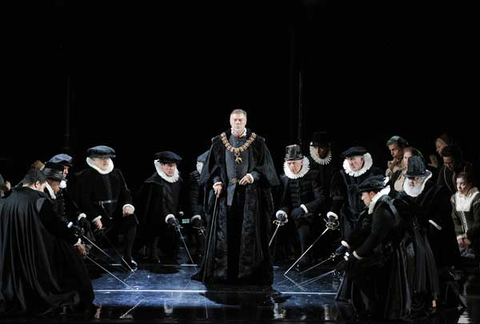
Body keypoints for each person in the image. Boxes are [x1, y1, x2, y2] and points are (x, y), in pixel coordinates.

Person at [193, 109, 279, 285]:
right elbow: (213, 169)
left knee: (247, 234)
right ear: (230, 121)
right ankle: (225, 272)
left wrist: (253, 176)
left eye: (240, 120)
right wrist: (217, 182)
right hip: (226, 196)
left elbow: (266, 168)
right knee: (227, 234)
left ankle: (247, 273)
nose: (237, 122)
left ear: (245, 121)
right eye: (235, 120)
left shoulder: (258, 143)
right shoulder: (218, 142)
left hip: (250, 198)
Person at [0, 169, 94, 316]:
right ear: (37, 183)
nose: (43, 190)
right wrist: (76, 241)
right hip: (34, 255)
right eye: (43, 187)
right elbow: (56, 226)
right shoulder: (39, 200)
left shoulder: (5, 199)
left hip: (10, 257)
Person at [335, 174, 409, 320]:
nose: (362, 198)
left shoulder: (383, 209)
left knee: (354, 269)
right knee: (352, 267)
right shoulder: (378, 205)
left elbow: (374, 238)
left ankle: (375, 307)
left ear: (372, 193)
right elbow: (365, 230)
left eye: (363, 195)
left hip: (388, 256)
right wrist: (348, 246)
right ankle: (370, 305)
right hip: (381, 251)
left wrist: (355, 256)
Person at [401, 155, 462, 309]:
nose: (412, 181)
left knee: (440, 278)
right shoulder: (406, 193)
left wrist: (424, 230)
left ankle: (442, 303)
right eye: (410, 178)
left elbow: (441, 219)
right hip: (417, 241)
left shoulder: (437, 191)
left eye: (415, 178)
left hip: (436, 241)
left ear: (423, 177)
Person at [72, 145, 138, 270]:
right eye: (101, 158)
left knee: (131, 219)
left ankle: (127, 257)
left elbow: (126, 193)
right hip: (98, 215)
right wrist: (95, 217)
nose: (105, 161)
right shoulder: (85, 175)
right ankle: (92, 255)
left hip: (116, 214)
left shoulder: (117, 173)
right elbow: (83, 200)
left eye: (107, 158)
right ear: (93, 159)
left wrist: (127, 205)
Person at [273, 144, 325, 268]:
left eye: (294, 163)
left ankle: (304, 257)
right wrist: (282, 212)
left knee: (302, 222)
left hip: (310, 214)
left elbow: (320, 199)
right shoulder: (284, 178)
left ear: (301, 161)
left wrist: (304, 208)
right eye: (289, 163)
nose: (292, 166)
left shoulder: (313, 175)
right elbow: (284, 202)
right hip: (291, 214)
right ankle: (277, 257)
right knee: (278, 223)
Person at [136, 151, 185, 264]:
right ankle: (152, 252)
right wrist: (166, 215)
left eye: (173, 166)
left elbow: (180, 197)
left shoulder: (178, 180)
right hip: (156, 214)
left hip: (173, 212)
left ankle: (171, 252)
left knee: (175, 227)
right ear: (162, 165)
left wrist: (179, 211)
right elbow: (152, 204)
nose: (171, 168)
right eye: (168, 166)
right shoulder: (153, 182)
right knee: (155, 226)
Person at [329, 146, 383, 242]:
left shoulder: (375, 173)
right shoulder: (342, 175)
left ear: (362, 159)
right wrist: (333, 213)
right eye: (349, 159)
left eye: (353, 159)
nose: (351, 163)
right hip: (349, 219)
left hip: (369, 218)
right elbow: (339, 198)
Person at [451, 172, 480, 262]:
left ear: (470, 184)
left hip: (477, 237)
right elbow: (455, 218)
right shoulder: (455, 198)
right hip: (462, 239)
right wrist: (459, 236)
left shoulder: (476, 198)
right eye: (457, 183)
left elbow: (478, 222)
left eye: (462, 184)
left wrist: (468, 238)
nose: (459, 187)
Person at [186, 150, 209, 263]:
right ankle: (201, 250)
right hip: (200, 208)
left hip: (210, 207)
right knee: (199, 224)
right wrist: (196, 214)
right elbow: (193, 197)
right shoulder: (195, 177)